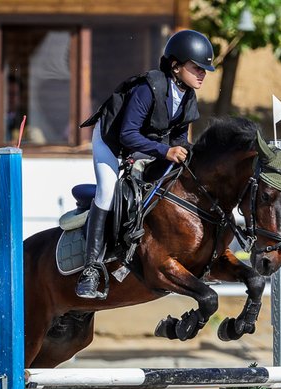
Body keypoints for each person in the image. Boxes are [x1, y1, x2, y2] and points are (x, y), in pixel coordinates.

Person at [75, 29, 215, 299]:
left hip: (145, 145)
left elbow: (178, 139)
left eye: (204, 70)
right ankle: (90, 270)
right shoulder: (147, 88)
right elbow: (127, 134)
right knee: (107, 189)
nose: (202, 74)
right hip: (112, 141)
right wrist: (165, 151)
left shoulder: (188, 97)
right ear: (175, 66)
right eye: (196, 67)